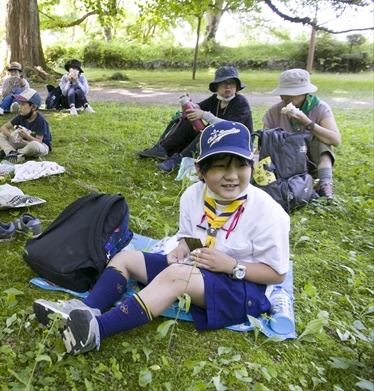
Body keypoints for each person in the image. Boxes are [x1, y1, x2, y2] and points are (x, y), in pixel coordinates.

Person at [33, 121, 290, 356]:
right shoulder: (193, 195)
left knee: (176, 276)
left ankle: (95, 330)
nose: (232, 175)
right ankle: (85, 310)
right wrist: (182, 248)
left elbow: (277, 275)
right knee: (125, 258)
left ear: (252, 164)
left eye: (240, 165)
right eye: (221, 166)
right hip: (198, 269)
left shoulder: (269, 213)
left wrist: (232, 266)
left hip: (242, 287)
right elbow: (190, 237)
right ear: (200, 169)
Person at [137, 66, 253, 174]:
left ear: (237, 87)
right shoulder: (215, 99)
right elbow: (197, 108)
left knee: (208, 130)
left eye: (232, 83)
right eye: (224, 83)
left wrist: (205, 115)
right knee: (189, 121)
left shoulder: (240, 102)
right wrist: (187, 103)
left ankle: (178, 160)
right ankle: (162, 149)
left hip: (237, 143)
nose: (228, 87)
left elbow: (232, 128)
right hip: (219, 139)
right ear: (217, 87)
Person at [262, 69, 341, 202]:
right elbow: (265, 142)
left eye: (290, 93)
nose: (284, 98)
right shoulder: (274, 111)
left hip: (310, 160)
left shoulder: (320, 108)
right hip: (284, 162)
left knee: (321, 140)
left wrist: (308, 123)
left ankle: (325, 183)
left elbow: (335, 140)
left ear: (304, 92)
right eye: (283, 93)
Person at [0, 89, 52, 164]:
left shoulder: (41, 120)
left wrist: (27, 136)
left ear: (33, 107)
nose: (19, 107)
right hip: (24, 142)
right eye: (19, 104)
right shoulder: (21, 116)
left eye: (23, 104)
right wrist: (11, 136)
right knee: (0, 136)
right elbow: (4, 128)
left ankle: (15, 153)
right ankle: (11, 152)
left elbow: (38, 141)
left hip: (41, 145)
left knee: (34, 146)